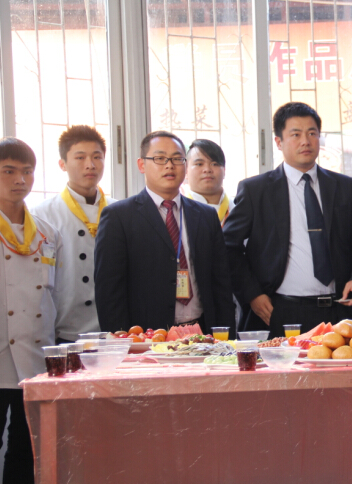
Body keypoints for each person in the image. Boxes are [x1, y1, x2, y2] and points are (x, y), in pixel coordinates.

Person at [223, 102, 352, 336]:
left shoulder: (343, 186)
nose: (306, 141)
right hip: (279, 311)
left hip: (339, 310)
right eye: (296, 134)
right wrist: (252, 294)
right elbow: (228, 247)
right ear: (278, 142)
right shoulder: (256, 190)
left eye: (312, 133)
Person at [94, 131, 235, 336]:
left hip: (202, 332)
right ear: (142, 164)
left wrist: (226, 337)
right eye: (160, 158)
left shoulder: (205, 216)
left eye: (177, 159)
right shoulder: (119, 216)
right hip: (147, 335)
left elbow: (221, 284)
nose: (169, 165)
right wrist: (123, 341)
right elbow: (109, 291)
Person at [0, 137, 61, 484]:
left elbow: (55, 293)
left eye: (27, 171)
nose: (19, 180)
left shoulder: (46, 232)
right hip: (0, 352)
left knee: (27, 447)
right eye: (8, 171)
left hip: (37, 353)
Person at [30, 126, 116, 344]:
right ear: (62, 164)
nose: (90, 165)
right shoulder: (42, 215)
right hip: (64, 330)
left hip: (114, 332)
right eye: (80, 157)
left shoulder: (119, 210)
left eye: (97, 157)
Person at [182, 139, 234, 225]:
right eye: (199, 164)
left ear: (224, 171)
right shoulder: (176, 211)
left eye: (214, 164)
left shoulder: (238, 208)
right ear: (186, 171)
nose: (207, 169)